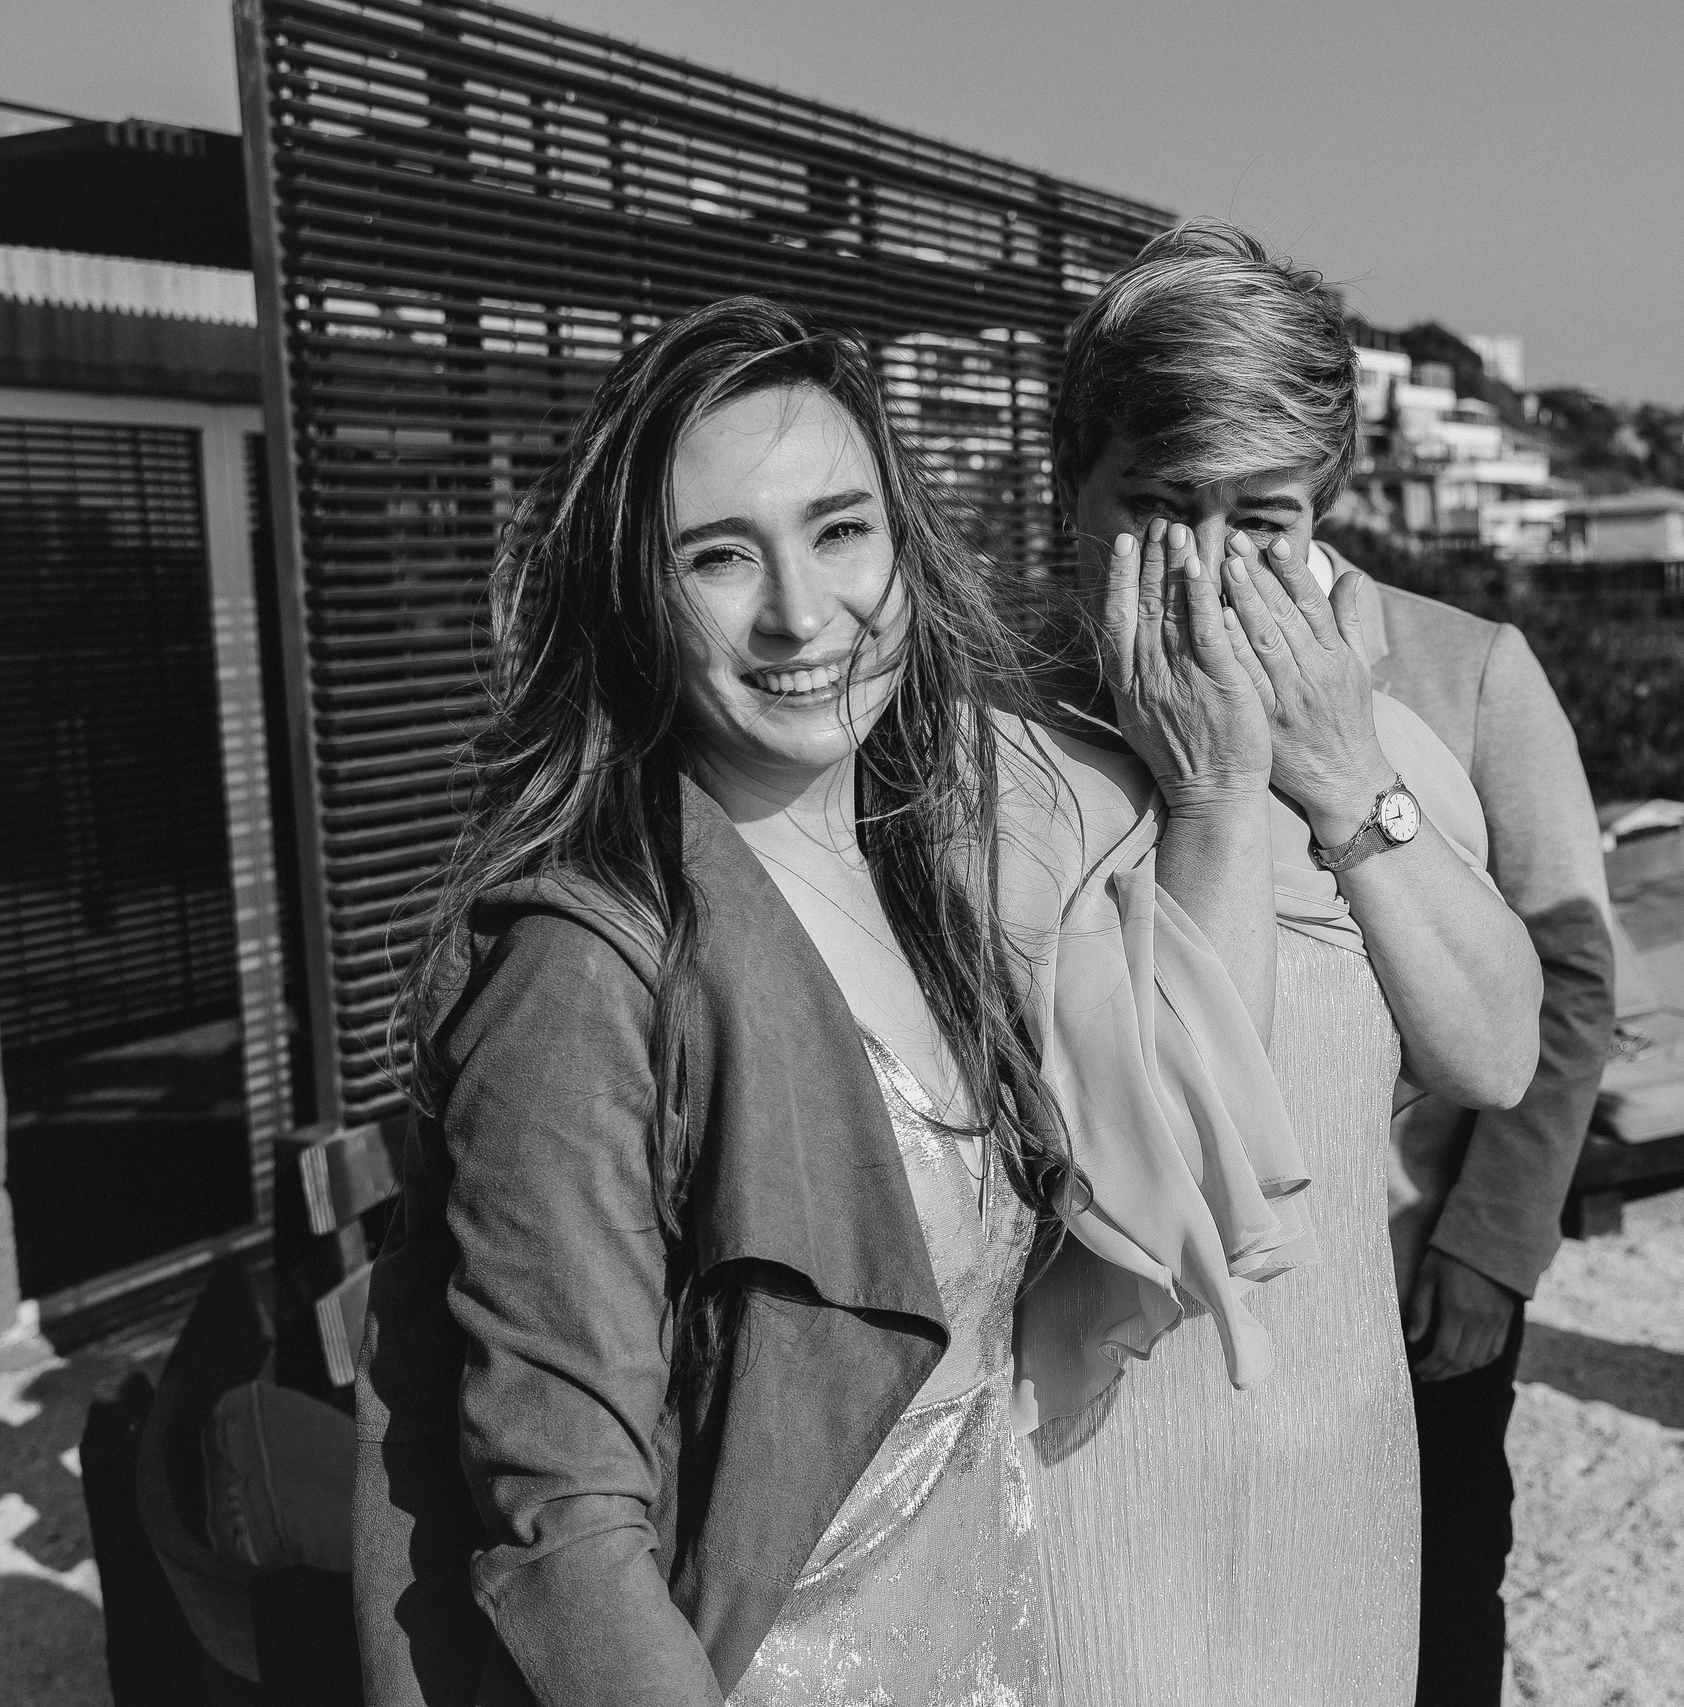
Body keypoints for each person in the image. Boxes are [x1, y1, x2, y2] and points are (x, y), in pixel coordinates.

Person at [350, 297, 1299, 1705]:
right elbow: (563, 1540)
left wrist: (1227, 796)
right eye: (720, 555)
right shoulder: (586, 964)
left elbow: (1056, 1290)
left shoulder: (930, 874)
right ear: (632, 594)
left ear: (904, 551)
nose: (802, 611)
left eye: (840, 529)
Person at [1018, 220, 1544, 1707]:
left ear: (1327, 513)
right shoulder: (980, 768)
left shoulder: (1376, 744)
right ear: (1072, 497)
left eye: (1261, 517)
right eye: (1159, 505)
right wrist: (1210, 795)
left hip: (1337, 1449)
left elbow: (1495, 1049)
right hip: (1093, 1482)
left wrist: (1343, 787)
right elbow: (1148, 1180)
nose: (1206, 565)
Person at [1327, 556, 1617, 1705]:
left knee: (1435, 1606)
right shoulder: (1057, 674)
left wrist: (1493, 1241)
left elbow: (1572, 974)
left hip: (1414, 1271)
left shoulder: (1472, 669)